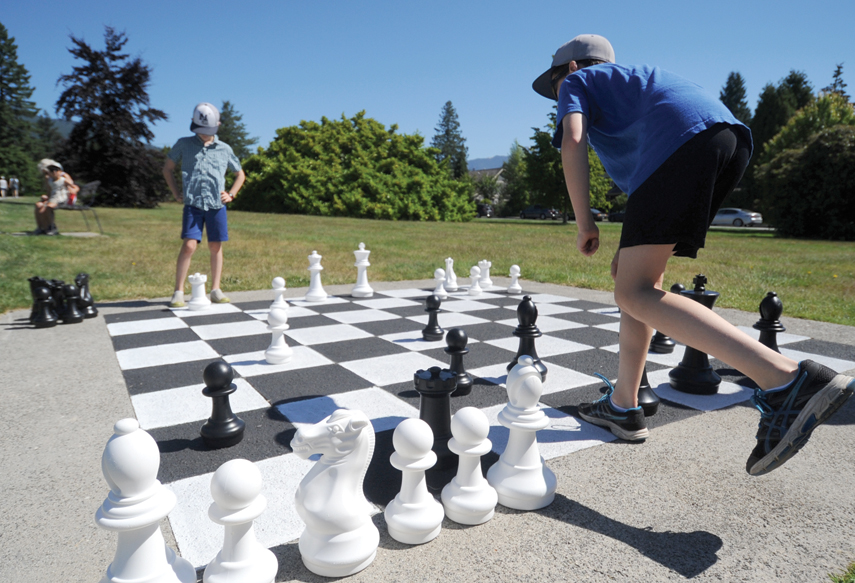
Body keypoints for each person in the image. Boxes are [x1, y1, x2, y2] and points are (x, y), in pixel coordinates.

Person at [533, 34, 854, 475]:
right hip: (726, 140)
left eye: (552, 86)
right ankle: (624, 405)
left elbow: (572, 141)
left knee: (635, 291)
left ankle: (788, 380)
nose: (555, 96)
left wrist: (584, 220)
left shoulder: (579, 81)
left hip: (680, 146)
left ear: (569, 70)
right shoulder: (635, 83)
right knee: (640, 287)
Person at [163, 102, 245, 307]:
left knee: (215, 246)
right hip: (193, 204)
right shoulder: (183, 144)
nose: (204, 134)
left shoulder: (224, 149)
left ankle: (216, 289)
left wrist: (231, 194)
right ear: (193, 125)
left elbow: (239, 174)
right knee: (189, 245)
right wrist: (175, 193)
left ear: (217, 125)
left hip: (217, 205)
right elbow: (167, 169)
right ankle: (178, 291)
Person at [33, 160, 76, 235]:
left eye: (46, 172)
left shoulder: (64, 177)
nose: (46, 175)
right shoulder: (49, 178)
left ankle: (50, 226)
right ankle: (41, 227)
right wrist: (46, 196)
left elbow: (72, 187)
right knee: (38, 205)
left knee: (44, 208)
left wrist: (72, 191)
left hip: (62, 197)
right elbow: (50, 190)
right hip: (53, 197)